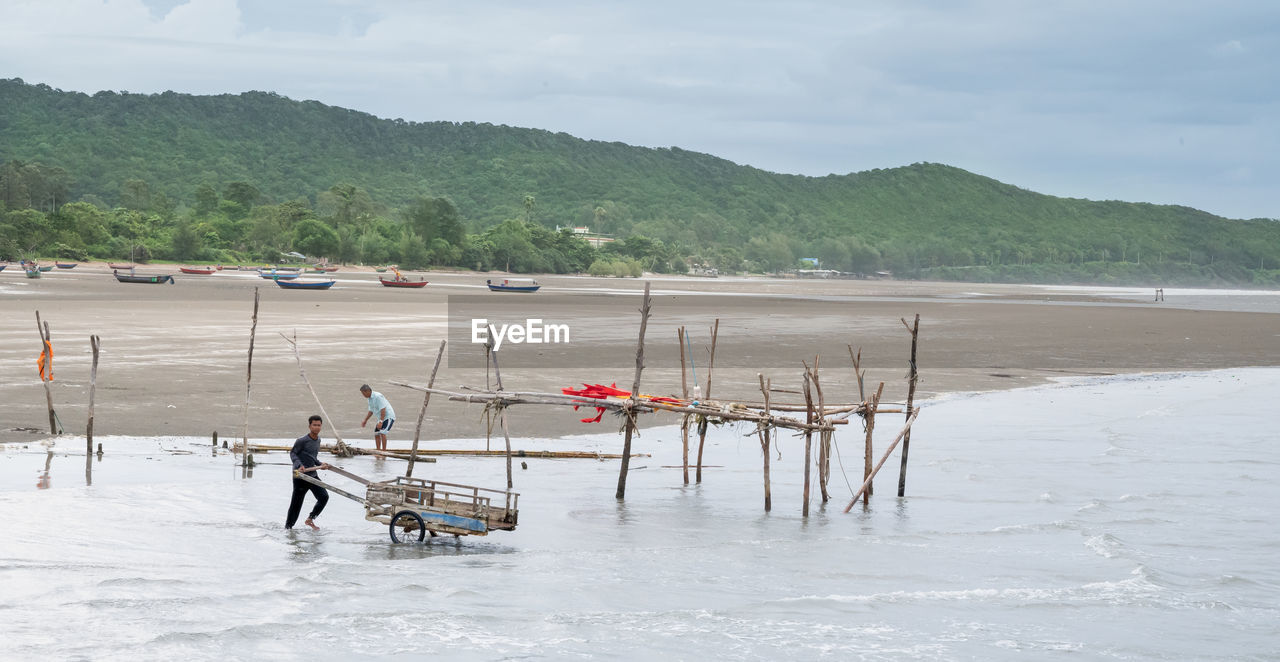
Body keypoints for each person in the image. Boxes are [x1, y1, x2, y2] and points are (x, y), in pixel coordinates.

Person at [286, 414, 330, 530]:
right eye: (314, 425)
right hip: (300, 477)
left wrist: (321, 464)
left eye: (319, 425)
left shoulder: (318, 440)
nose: (316, 427)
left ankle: (310, 519)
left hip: (312, 475)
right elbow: (293, 454)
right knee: (296, 504)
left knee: (324, 497)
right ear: (309, 426)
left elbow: (312, 458)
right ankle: (288, 528)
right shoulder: (302, 441)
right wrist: (299, 465)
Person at [360, 384, 396, 451]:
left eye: (363, 393)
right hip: (381, 418)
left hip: (388, 416)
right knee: (376, 433)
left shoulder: (378, 396)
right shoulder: (369, 399)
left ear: (367, 391)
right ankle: (378, 450)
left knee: (382, 432)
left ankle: (384, 451)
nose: (363, 395)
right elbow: (371, 411)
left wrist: (381, 422)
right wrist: (365, 420)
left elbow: (383, 409)